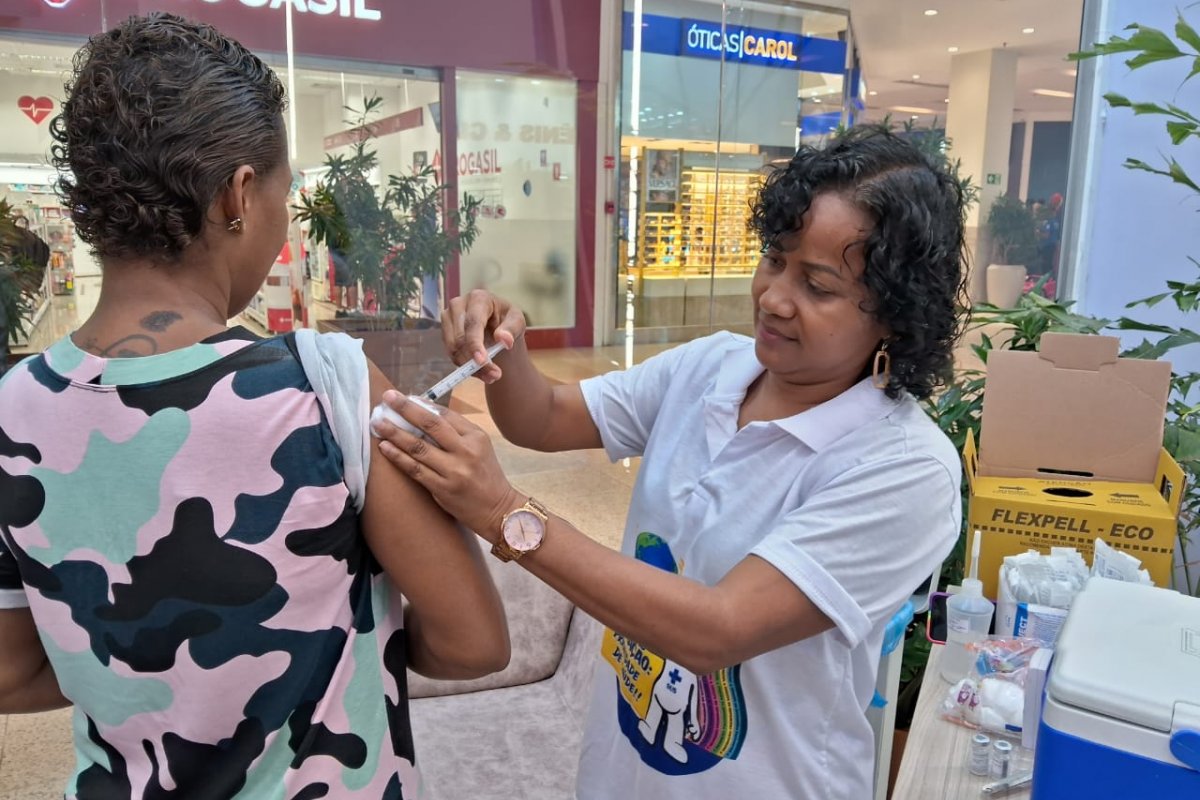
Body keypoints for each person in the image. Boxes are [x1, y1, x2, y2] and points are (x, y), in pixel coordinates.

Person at [372, 125, 966, 799]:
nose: (774, 297)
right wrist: (504, 348)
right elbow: (544, 417)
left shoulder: (904, 468)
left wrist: (506, 514)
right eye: (775, 259)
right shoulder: (710, 367)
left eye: (818, 286)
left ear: (894, 314)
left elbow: (718, 628)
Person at [0, 13, 508, 799]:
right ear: (238, 195)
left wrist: (143, 674)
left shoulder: (12, 410)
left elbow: (10, 674)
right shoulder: (326, 386)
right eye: (284, 191)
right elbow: (473, 642)